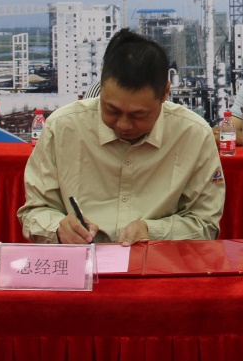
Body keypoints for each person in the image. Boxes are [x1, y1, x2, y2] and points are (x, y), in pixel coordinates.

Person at [17, 29, 224, 245]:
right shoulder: (62, 128)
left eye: (138, 115)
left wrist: (152, 231)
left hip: (156, 260)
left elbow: (205, 223)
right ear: (101, 82)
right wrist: (58, 229)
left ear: (165, 93)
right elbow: (35, 211)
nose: (124, 125)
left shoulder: (193, 135)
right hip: (83, 259)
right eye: (112, 110)